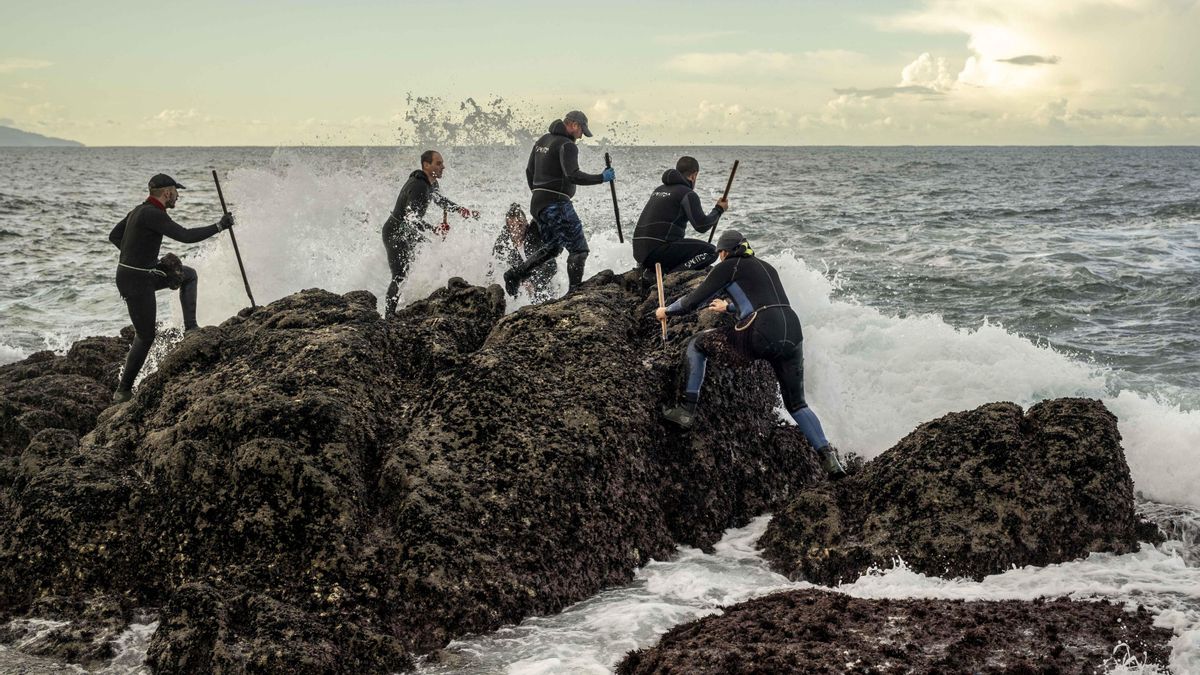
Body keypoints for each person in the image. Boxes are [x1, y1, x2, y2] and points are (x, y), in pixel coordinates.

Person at [654, 230, 847, 478]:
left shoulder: (728, 266)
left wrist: (666, 311)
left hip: (760, 330)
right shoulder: (766, 266)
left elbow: (693, 301)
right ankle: (830, 461)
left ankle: (685, 412)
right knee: (797, 404)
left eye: (720, 254)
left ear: (724, 252)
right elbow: (761, 301)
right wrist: (728, 307)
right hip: (792, 330)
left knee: (697, 343)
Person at [108, 173, 233, 404]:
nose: (177, 196)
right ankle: (123, 391)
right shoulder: (153, 214)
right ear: (167, 192)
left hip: (137, 274)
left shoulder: (138, 211)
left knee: (188, 275)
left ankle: (191, 328)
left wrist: (140, 258)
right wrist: (219, 226)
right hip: (137, 281)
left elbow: (114, 236)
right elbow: (185, 236)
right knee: (145, 335)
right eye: (176, 192)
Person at [503, 110, 614, 298]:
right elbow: (573, 175)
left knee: (553, 247)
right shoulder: (567, 145)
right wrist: (601, 177)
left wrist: (540, 193)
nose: (581, 136)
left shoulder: (542, 141)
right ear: (574, 125)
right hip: (556, 203)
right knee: (579, 250)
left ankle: (516, 274)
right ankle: (574, 294)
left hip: (538, 204)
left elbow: (529, 171)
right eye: (581, 131)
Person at [383, 150, 478, 316]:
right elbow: (411, 218)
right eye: (438, 163)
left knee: (431, 254)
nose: (443, 167)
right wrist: (434, 229)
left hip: (407, 231)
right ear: (426, 165)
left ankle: (418, 299)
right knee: (399, 275)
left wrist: (461, 210)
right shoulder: (418, 186)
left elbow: (440, 200)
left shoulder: (431, 183)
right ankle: (388, 316)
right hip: (395, 232)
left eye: (442, 163)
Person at [632, 156, 727, 280]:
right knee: (712, 251)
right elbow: (701, 226)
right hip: (657, 251)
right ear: (694, 175)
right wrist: (719, 209)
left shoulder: (659, 190)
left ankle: (652, 272)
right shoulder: (687, 193)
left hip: (639, 252)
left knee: (676, 245)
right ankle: (671, 277)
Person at [493, 203, 557, 301]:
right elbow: (493, 263)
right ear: (508, 228)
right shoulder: (504, 242)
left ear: (526, 223)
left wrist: (534, 283)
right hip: (523, 284)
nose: (517, 230)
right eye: (512, 227)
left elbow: (551, 265)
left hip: (543, 281)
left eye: (520, 225)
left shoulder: (534, 235)